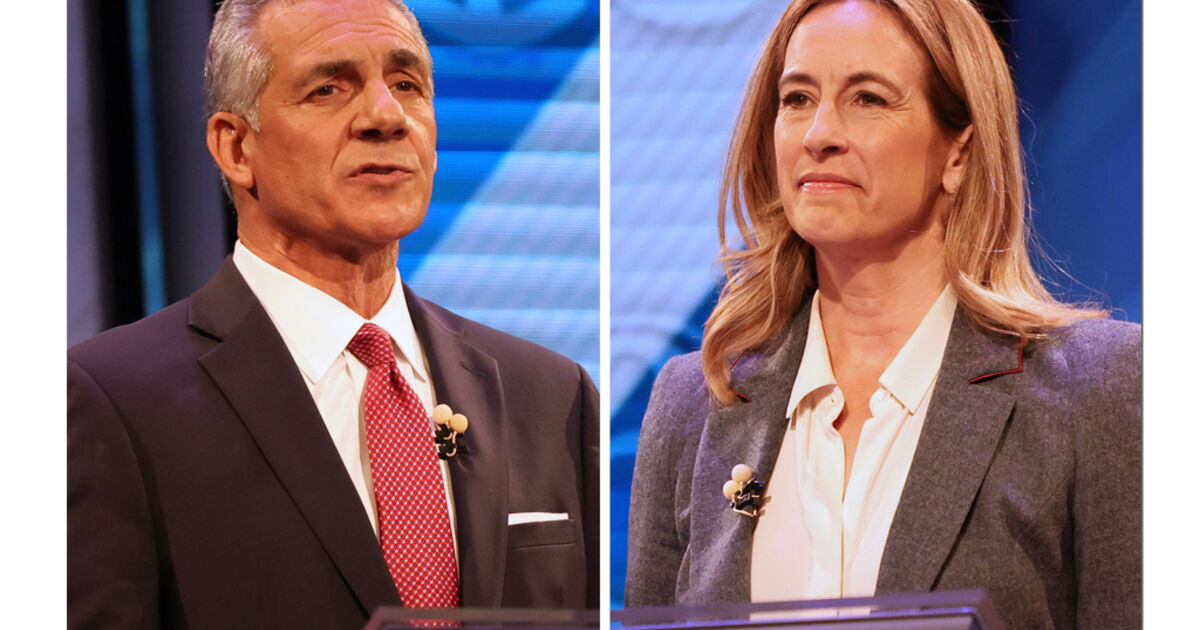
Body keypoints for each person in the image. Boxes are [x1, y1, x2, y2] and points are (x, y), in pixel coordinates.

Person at [67, 0, 599, 627]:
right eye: (328, 89)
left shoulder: (550, 395)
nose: (386, 116)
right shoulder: (112, 401)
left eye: (407, 84)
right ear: (236, 147)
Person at [624, 0, 1139, 628]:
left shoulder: (1098, 389)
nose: (819, 134)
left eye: (868, 98)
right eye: (796, 99)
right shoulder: (694, 401)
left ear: (959, 153)